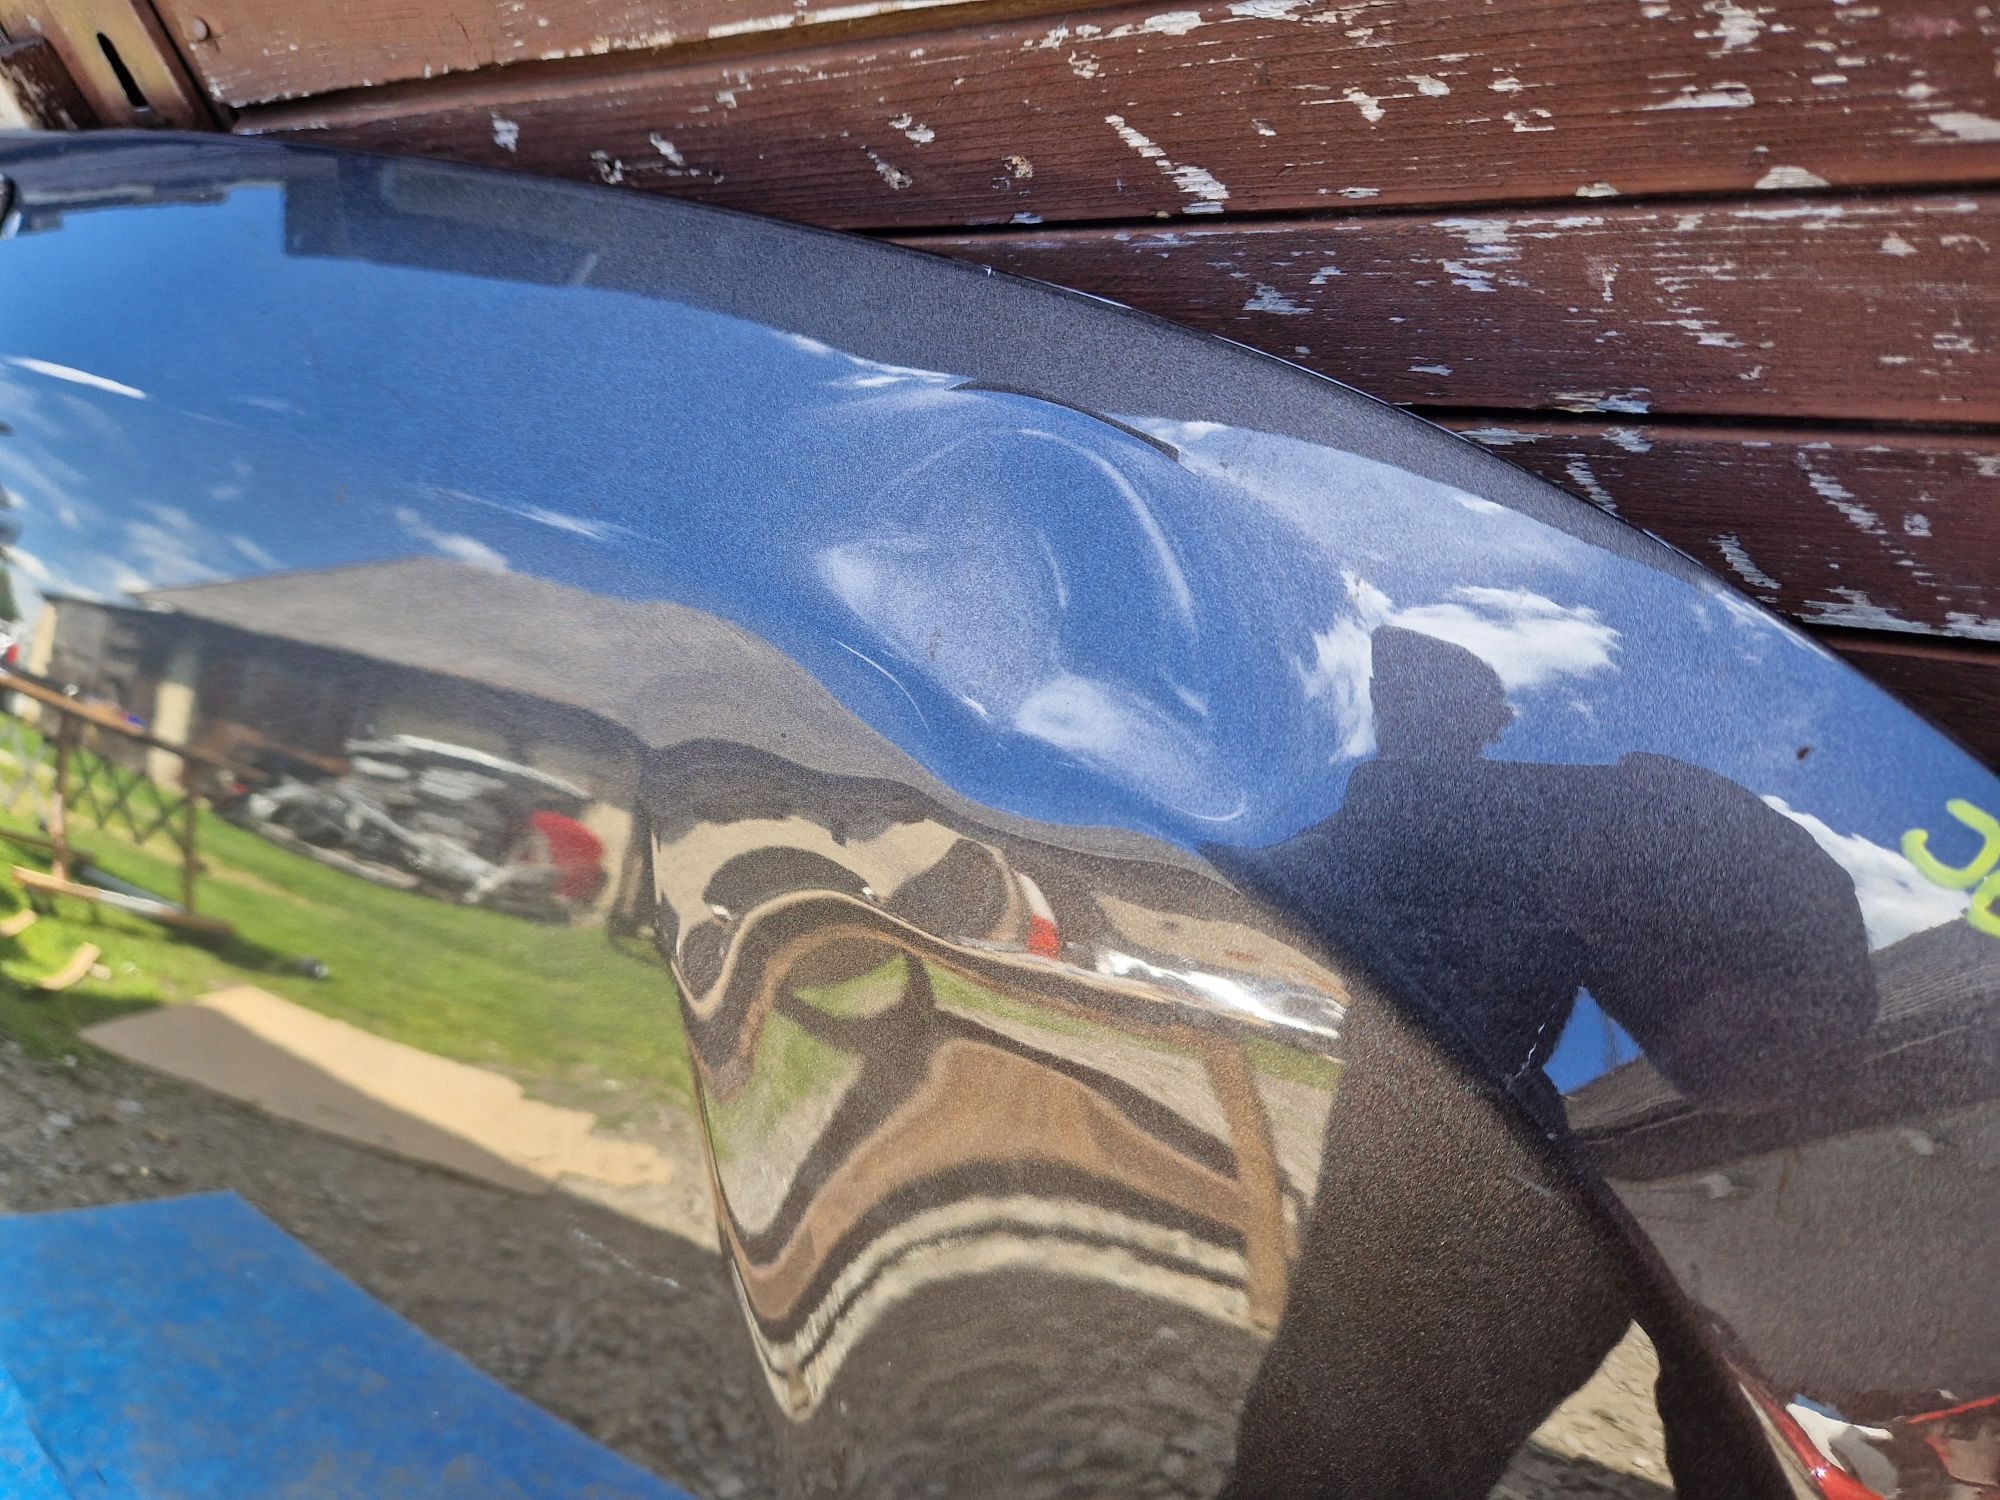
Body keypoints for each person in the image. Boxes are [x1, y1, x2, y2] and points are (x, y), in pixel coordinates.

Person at [1211, 627, 1877, 1498]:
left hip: (1481, 1172)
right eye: (1478, 706)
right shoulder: (1580, 806)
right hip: (1521, 1163)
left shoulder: (1517, 811)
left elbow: (1295, 876)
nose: (1497, 723)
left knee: (1339, 1445)